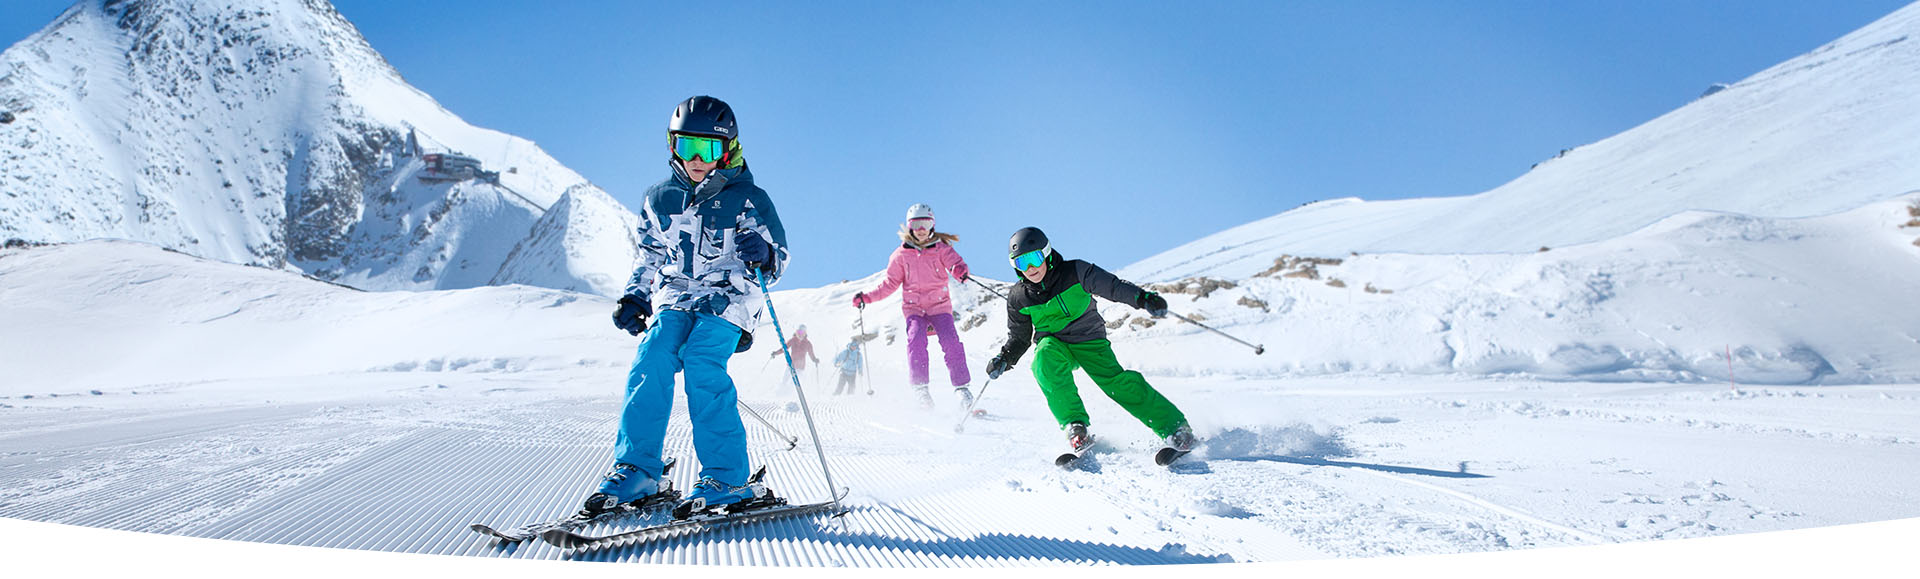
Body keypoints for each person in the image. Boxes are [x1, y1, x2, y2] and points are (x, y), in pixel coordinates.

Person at [584, 96, 790, 517]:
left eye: (709, 149)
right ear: (672, 145)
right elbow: (649, 256)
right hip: (678, 296)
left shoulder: (748, 197)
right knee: (652, 357)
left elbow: (780, 260)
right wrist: (635, 295)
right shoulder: (659, 198)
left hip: (730, 298)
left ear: (727, 149)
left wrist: (765, 254)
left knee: (701, 362)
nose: (697, 159)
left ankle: (727, 478)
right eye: (687, 147)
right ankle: (638, 469)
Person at [984, 227, 1195, 455]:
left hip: (1089, 340)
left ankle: (1175, 428)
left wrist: (1142, 298)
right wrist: (1004, 358)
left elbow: (1113, 287)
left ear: (1046, 253)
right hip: (1054, 343)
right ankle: (1075, 427)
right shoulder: (1019, 297)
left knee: (1117, 383)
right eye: (1021, 263)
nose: (1030, 268)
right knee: (1043, 361)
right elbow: (1019, 337)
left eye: (1034, 258)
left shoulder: (1075, 271)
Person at [852, 203, 975, 409]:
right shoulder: (900, 256)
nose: (921, 229)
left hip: (939, 307)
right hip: (915, 309)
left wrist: (959, 270)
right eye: (916, 224)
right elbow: (889, 284)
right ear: (909, 227)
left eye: (925, 223)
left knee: (951, 342)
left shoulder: (941, 249)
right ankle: (921, 390)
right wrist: (867, 298)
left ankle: (962, 389)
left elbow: (955, 263)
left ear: (932, 225)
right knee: (915, 340)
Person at [768, 324, 820, 389]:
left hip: (800, 368)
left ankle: (791, 394)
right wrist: (776, 353)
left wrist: (815, 360)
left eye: (802, 332)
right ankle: (781, 392)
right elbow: (784, 349)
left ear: (805, 333)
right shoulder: (793, 340)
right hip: (791, 365)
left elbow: (811, 354)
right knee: (784, 381)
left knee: (794, 384)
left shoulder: (808, 343)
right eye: (798, 332)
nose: (800, 334)